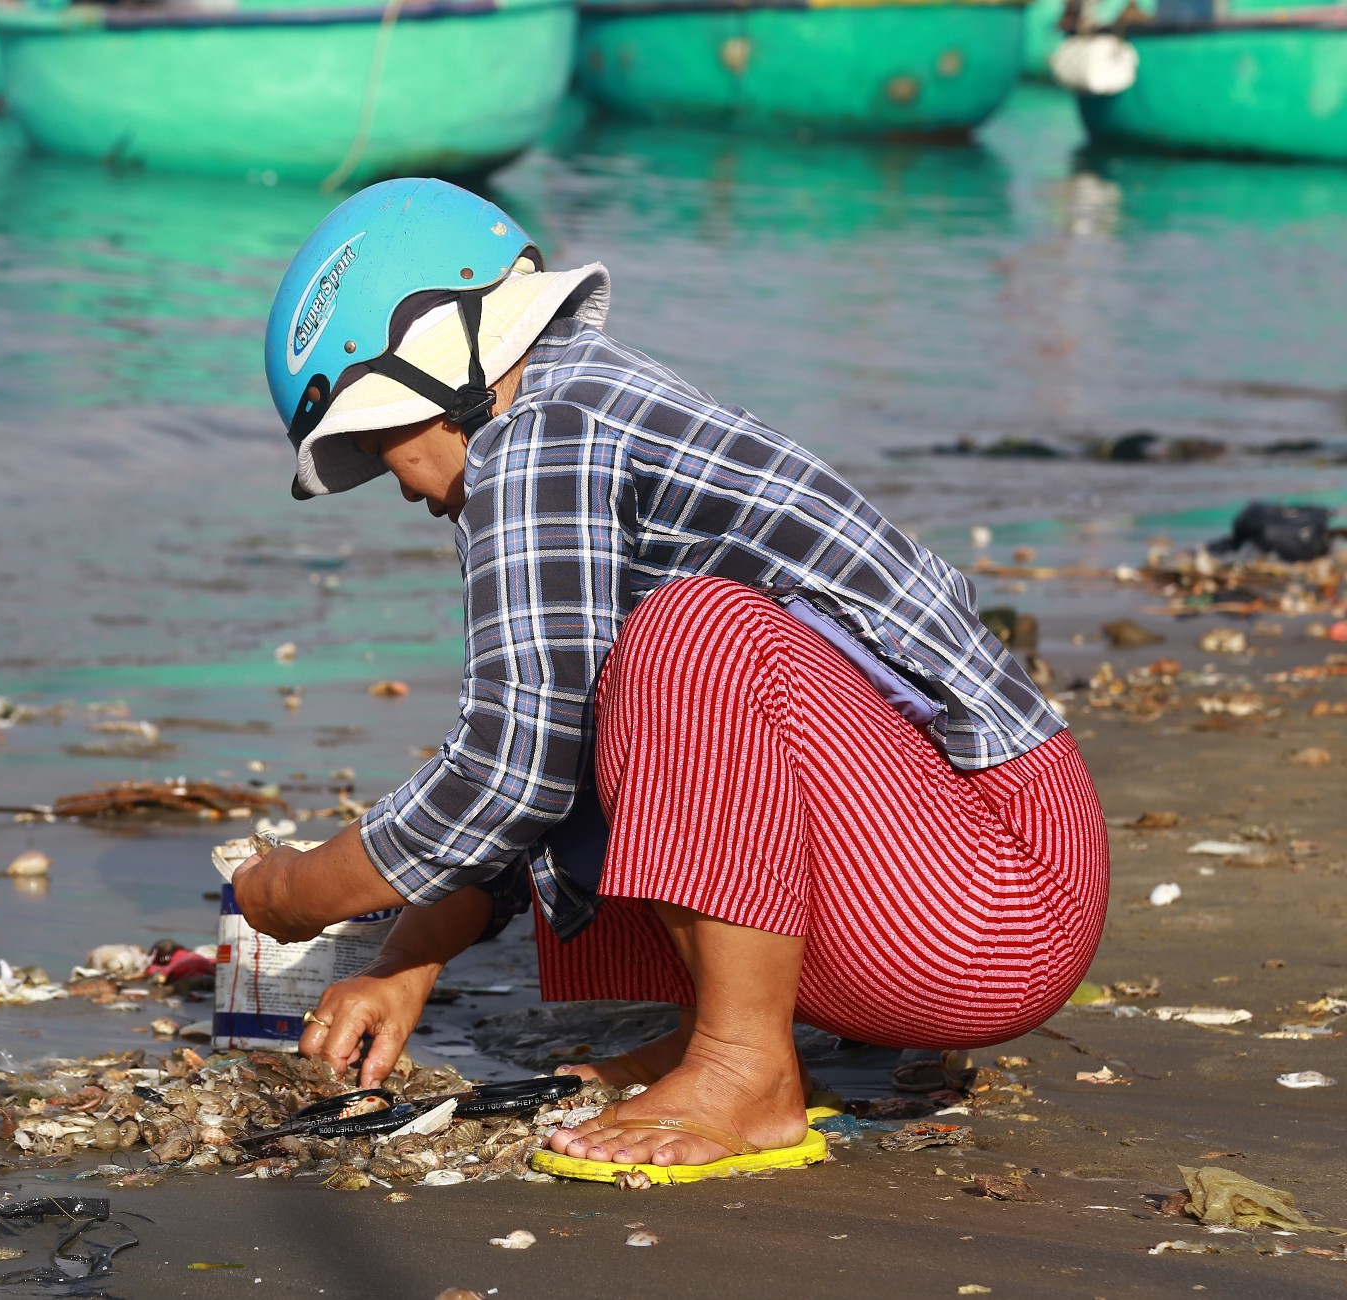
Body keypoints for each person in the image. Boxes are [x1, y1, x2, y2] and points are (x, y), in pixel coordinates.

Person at [231, 178, 1108, 1180]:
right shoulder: (573, 410)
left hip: (997, 897)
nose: (397, 484)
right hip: (939, 868)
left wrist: (301, 891)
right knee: (599, 683)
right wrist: (405, 962)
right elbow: (547, 757)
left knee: (685, 637)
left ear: (438, 367)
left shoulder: (539, 437)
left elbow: (503, 775)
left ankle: (746, 1065)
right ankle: (725, 1037)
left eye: (373, 440)